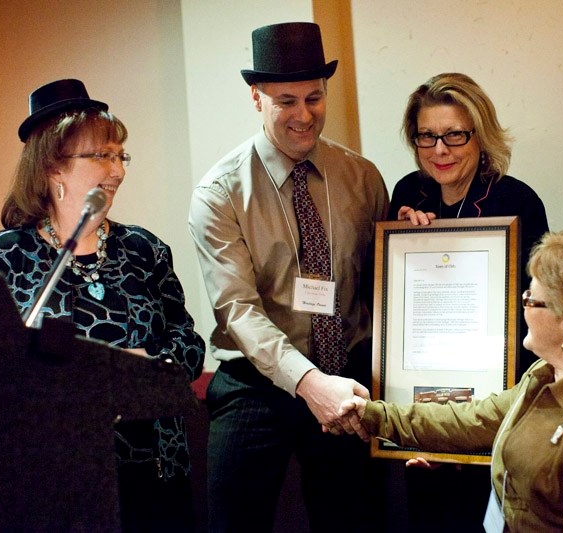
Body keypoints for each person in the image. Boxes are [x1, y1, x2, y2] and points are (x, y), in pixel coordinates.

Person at [0, 79, 206, 531]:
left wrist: (152, 364)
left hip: (153, 466)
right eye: (101, 156)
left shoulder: (145, 250)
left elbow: (188, 340)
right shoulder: (0, 257)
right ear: (53, 166)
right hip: (55, 471)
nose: (117, 170)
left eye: (121, 156)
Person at [188, 22, 389, 533]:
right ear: (256, 97)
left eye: (314, 98)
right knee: (232, 515)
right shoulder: (219, 193)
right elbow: (237, 310)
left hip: (347, 372)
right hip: (257, 380)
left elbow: (385, 286)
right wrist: (306, 382)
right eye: (286, 101)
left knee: (356, 519)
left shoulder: (362, 178)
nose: (304, 115)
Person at [336, 227, 563, 532]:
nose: (524, 305)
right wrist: (373, 414)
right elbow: (472, 419)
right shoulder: (545, 375)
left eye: (532, 299)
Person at [391, 71, 550, 531]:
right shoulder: (406, 194)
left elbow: (539, 308)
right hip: (422, 405)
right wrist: (403, 241)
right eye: (426, 137)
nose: (440, 150)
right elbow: (390, 305)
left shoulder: (517, 200)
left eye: (454, 135)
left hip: (500, 408)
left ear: (480, 135)